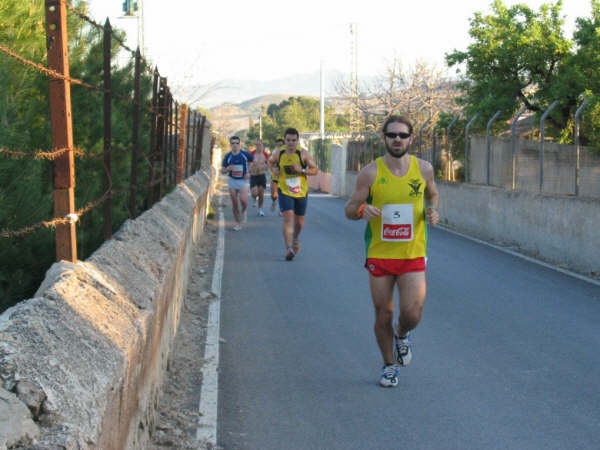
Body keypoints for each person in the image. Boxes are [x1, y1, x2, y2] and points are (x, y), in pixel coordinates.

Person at [344, 115, 440, 388]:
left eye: (402, 135)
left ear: (411, 139)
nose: (397, 139)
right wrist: (362, 210)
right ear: (383, 138)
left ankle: (402, 333)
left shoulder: (424, 169)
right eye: (392, 135)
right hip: (380, 254)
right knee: (383, 313)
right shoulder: (370, 173)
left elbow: (433, 194)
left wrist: (433, 211)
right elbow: (349, 209)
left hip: (412, 253)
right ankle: (388, 366)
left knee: (412, 313)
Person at [269, 128, 318, 260]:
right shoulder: (279, 153)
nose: (291, 143)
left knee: (300, 222)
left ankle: (295, 237)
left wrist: (302, 170)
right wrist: (274, 170)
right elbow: (270, 162)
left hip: (300, 191)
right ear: (285, 140)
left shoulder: (303, 154)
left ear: (297, 140)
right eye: (288, 140)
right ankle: (288, 248)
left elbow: (315, 170)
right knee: (288, 217)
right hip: (285, 190)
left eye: (294, 140)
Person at [221, 135, 253, 231]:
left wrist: (249, 172)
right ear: (230, 145)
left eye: (237, 143)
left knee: (243, 201)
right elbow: (222, 170)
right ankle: (237, 223)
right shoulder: (228, 156)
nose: (235, 145)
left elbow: (252, 163)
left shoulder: (245, 154)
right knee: (235, 203)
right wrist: (227, 169)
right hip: (232, 181)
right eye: (233, 143)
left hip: (243, 181)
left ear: (240, 144)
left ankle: (243, 211)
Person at [249, 139, 270, 216]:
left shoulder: (265, 155)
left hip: (262, 175)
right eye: (257, 145)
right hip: (253, 176)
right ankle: (254, 198)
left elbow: (268, 166)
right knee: (254, 193)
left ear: (262, 146)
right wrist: (252, 165)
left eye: (260, 145)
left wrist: (265, 166)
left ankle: (260, 209)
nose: (258, 147)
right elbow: (248, 166)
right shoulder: (251, 154)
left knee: (261, 194)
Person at [269, 138, 285, 212]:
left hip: (284, 176)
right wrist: (273, 169)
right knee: (274, 194)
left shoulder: (287, 153)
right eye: (278, 145)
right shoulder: (274, 152)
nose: (280, 146)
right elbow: (269, 163)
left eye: (281, 145)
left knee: (283, 194)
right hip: (275, 175)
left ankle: (282, 209)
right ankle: (274, 201)